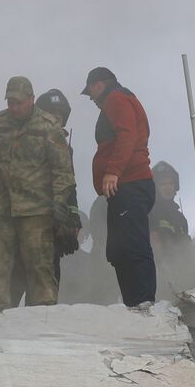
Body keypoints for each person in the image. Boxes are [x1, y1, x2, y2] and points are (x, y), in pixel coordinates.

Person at [0, 76, 75, 312]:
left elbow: (63, 171)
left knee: (39, 265)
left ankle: (43, 314)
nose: (14, 107)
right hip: (1, 208)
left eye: (18, 102)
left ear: (31, 99)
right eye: (10, 102)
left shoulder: (48, 127)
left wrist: (60, 203)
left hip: (37, 212)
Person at [82, 66, 156, 308]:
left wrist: (112, 171)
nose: (91, 99)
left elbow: (127, 134)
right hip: (125, 187)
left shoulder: (115, 99)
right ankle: (134, 303)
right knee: (119, 250)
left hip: (129, 184)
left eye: (90, 92)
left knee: (133, 246)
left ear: (98, 85)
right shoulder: (123, 98)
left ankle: (143, 304)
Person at [8, 89, 82, 307]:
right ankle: (2, 331)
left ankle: (40, 331)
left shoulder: (66, 148)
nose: (55, 119)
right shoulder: (23, 140)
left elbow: (70, 185)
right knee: (14, 282)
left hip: (53, 226)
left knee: (47, 286)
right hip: (25, 221)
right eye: (50, 114)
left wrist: (73, 219)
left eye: (59, 115)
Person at [149, 161, 190, 252]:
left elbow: (187, 249)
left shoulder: (181, 218)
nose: (168, 188)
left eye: (171, 183)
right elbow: (154, 247)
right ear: (155, 188)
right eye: (162, 184)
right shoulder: (150, 213)